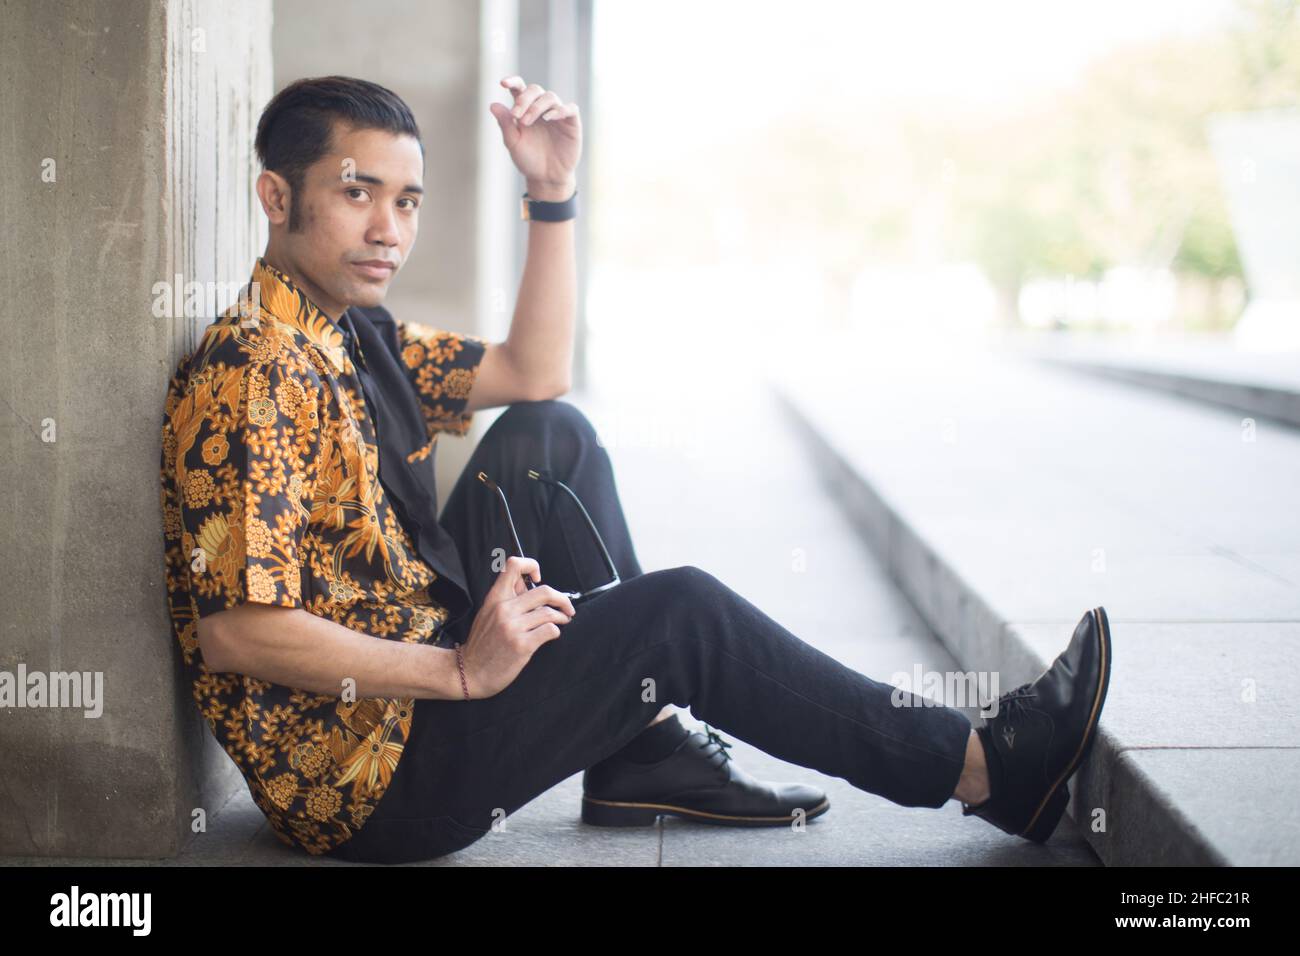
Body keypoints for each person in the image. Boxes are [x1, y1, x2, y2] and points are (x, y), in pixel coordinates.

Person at [159, 75, 1112, 864]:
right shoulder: (255, 373)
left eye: (406, 202)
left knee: (548, 435)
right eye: (357, 193)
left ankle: (640, 753)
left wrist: (551, 192)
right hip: (371, 776)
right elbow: (241, 632)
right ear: (277, 197)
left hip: (415, 661)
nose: (388, 230)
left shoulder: (351, 330)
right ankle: (988, 768)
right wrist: (457, 669)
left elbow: (534, 370)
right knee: (680, 616)